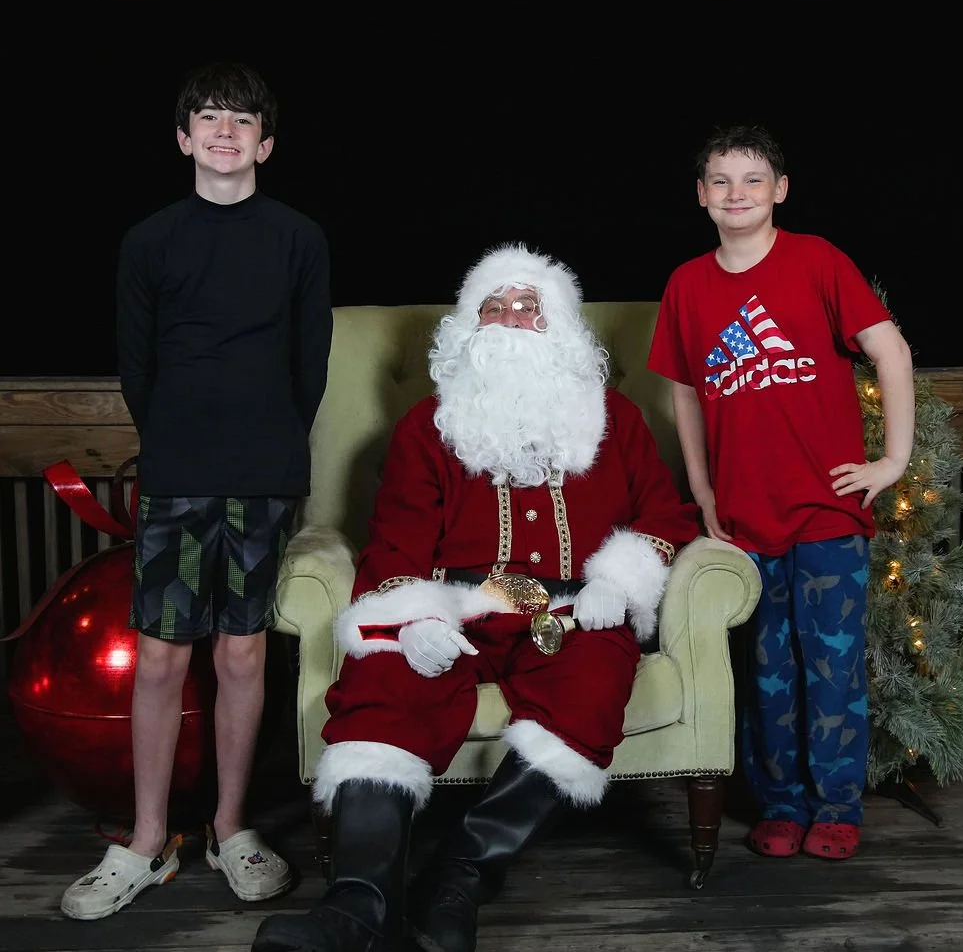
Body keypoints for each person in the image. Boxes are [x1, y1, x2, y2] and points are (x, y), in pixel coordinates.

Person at [251, 243, 700, 952]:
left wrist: (623, 578)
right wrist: (414, 618)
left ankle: (456, 877)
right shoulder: (427, 427)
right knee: (385, 674)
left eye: (528, 306)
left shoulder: (615, 419)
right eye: (494, 307)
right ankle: (357, 904)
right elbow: (395, 540)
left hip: (574, 614)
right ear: (470, 330)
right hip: (457, 608)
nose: (511, 318)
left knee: (591, 682)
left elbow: (665, 518)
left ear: (558, 328)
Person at [61, 61, 333, 920]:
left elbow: (309, 366)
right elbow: (136, 368)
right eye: (209, 118)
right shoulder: (149, 241)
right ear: (184, 138)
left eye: (242, 120)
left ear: (266, 142)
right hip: (179, 473)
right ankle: (146, 839)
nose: (225, 131)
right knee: (162, 655)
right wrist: (182, 436)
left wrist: (267, 440)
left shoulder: (298, 238)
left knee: (244, 652)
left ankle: (231, 826)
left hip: (263, 473)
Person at [647, 125, 915, 862]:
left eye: (753, 179)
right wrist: (701, 490)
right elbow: (685, 396)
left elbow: (889, 347)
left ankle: (836, 806)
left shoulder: (817, 260)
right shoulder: (687, 285)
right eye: (722, 181)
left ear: (780, 190)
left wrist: (893, 458)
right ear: (702, 195)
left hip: (826, 512)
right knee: (766, 672)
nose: (738, 194)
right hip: (744, 519)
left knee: (830, 667)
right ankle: (780, 803)